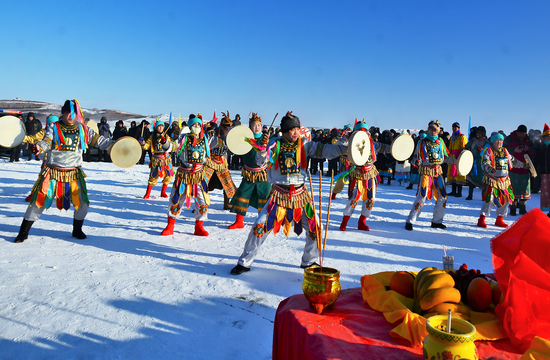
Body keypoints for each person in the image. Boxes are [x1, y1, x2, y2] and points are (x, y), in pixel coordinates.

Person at [230, 111, 347, 275]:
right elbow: (260, 161)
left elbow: (325, 150)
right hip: (279, 195)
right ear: (284, 131)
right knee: (259, 227)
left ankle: (309, 261)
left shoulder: (305, 144)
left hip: (301, 194)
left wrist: (345, 150)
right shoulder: (274, 144)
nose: (296, 132)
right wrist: (263, 150)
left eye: (298, 129)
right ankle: (244, 262)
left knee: (316, 228)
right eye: (292, 130)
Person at [14, 100, 112, 243]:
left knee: (82, 203)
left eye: (73, 113)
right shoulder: (54, 127)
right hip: (53, 172)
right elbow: (46, 141)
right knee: (38, 201)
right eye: (67, 113)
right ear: (63, 113)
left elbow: (101, 142)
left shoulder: (84, 129)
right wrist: (38, 148)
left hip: (74, 173)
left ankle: (77, 229)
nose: (70, 116)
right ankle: (23, 232)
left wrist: (117, 144)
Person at [161, 114, 211, 236]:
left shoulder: (205, 139)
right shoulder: (183, 138)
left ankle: (199, 226)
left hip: (199, 175)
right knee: (176, 199)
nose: (197, 127)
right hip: (184, 174)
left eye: (199, 125)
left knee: (202, 200)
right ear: (190, 126)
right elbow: (172, 146)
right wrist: (165, 143)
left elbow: (220, 141)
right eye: (194, 125)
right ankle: (170, 225)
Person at [339, 120, 391, 231]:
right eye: (359, 131)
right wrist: (348, 137)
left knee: (371, 199)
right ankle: (345, 221)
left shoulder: (372, 144)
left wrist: (396, 147)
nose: (363, 133)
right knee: (353, 199)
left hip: (370, 172)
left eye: (365, 131)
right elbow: (339, 144)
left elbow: (385, 147)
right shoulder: (350, 142)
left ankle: (362, 221)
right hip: (357, 173)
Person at [405, 120, 454, 231]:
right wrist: (416, 162)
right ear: (428, 129)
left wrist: (458, 160)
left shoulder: (441, 141)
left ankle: (437, 221)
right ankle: (410, 220)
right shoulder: (422, 142)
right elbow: (416, 158)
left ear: (438, 131)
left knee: (442, 197)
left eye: (435, 130)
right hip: (426, 171)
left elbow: (446, 156)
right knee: (422, 196)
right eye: (431, 129)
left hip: (438, 172)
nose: (433, 131)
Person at [227, 113, 272, 229]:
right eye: (254, 125)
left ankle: (265, 221)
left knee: (265, 197)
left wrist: (266, 146)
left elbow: (272, 155)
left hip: (263, 174)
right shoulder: (245, 139)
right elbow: (235, 149)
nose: (257, 127)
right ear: (250, 127)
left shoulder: (267, 140)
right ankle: (239, 221)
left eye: (259, 125)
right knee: (242, 194)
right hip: (248, 173)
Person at [477, 132, 526, 228]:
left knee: (506, 199)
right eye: (497, 140)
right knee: (489, 200)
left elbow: (513, 161)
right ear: (493, 141)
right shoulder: (489, 151)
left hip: (504, 180)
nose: (499, 142)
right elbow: (484, 162)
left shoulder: (505, 151)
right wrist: (489, 168)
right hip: (492, 179)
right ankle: (481, 219)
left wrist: (524, 165)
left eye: (501, 140)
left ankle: (500, 219)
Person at [205, 111, 237, 210]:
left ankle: (227, 203)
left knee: (228, 183)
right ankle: (202, 204)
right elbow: (205, 143)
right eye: (225, 127)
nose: (227, 129)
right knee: (203, 183)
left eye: (229, 127)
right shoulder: (213, 134)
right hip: (210, 162)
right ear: (221, 126)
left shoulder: (231, 137)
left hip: (222, 163)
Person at [504, 125, 535, 215]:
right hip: (513, 169)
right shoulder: (510, 138)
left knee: (524, 189)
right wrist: (514, 150)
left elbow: (534, 151)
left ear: (525, 133)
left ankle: (522, 207)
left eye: (523, 133)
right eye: (520, 133)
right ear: (517, 132)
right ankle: (512, 208)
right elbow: (504, 150)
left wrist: (528, 149)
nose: (521, 135)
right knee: (512, 189)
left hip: (525, 169)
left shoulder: (529, 140)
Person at [140, 120, 174, 199]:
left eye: (162, 126)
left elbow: (172, 146)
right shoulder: (152, 137)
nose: (161, 127)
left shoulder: (167, 136)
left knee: (169, 175)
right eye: (159, 126)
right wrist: (142, 143)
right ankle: (147, 193)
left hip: (166, 159)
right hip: (156, 159)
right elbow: (147, 146)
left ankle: (163, 192)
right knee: (153, 176)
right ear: (156, 128)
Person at [464, 126, 489, 200]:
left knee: (483, 179)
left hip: (482, 162)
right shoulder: (472, 141)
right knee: (471, 178)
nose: (478, 134)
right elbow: (466, 147)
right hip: (473, 162)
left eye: (480, 133)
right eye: (477, 133)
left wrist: (483, 150)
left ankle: (483, 196)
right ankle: (470, 195)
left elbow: (489, 150)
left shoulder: (486, 142)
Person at [446, 122, 468, 197]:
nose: (454, 129)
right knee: (452, 174)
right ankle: (453, 190)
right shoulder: (452, 138)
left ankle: (459, 192)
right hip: (452, 156)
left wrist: (461, 156)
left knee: (459, 173)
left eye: (455, 127)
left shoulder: (462, 137)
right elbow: (450, 147)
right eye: (453, 127)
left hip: (459, 156)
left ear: (459, 128)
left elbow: (463, 147)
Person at [534, 124, 550, 216]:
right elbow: (537, 160)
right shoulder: (541, 148)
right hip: (544, 173)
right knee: (545, 191)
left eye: (549, 137)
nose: (548, 139)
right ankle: (546, 208)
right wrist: (534, 170)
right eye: (546, 137)